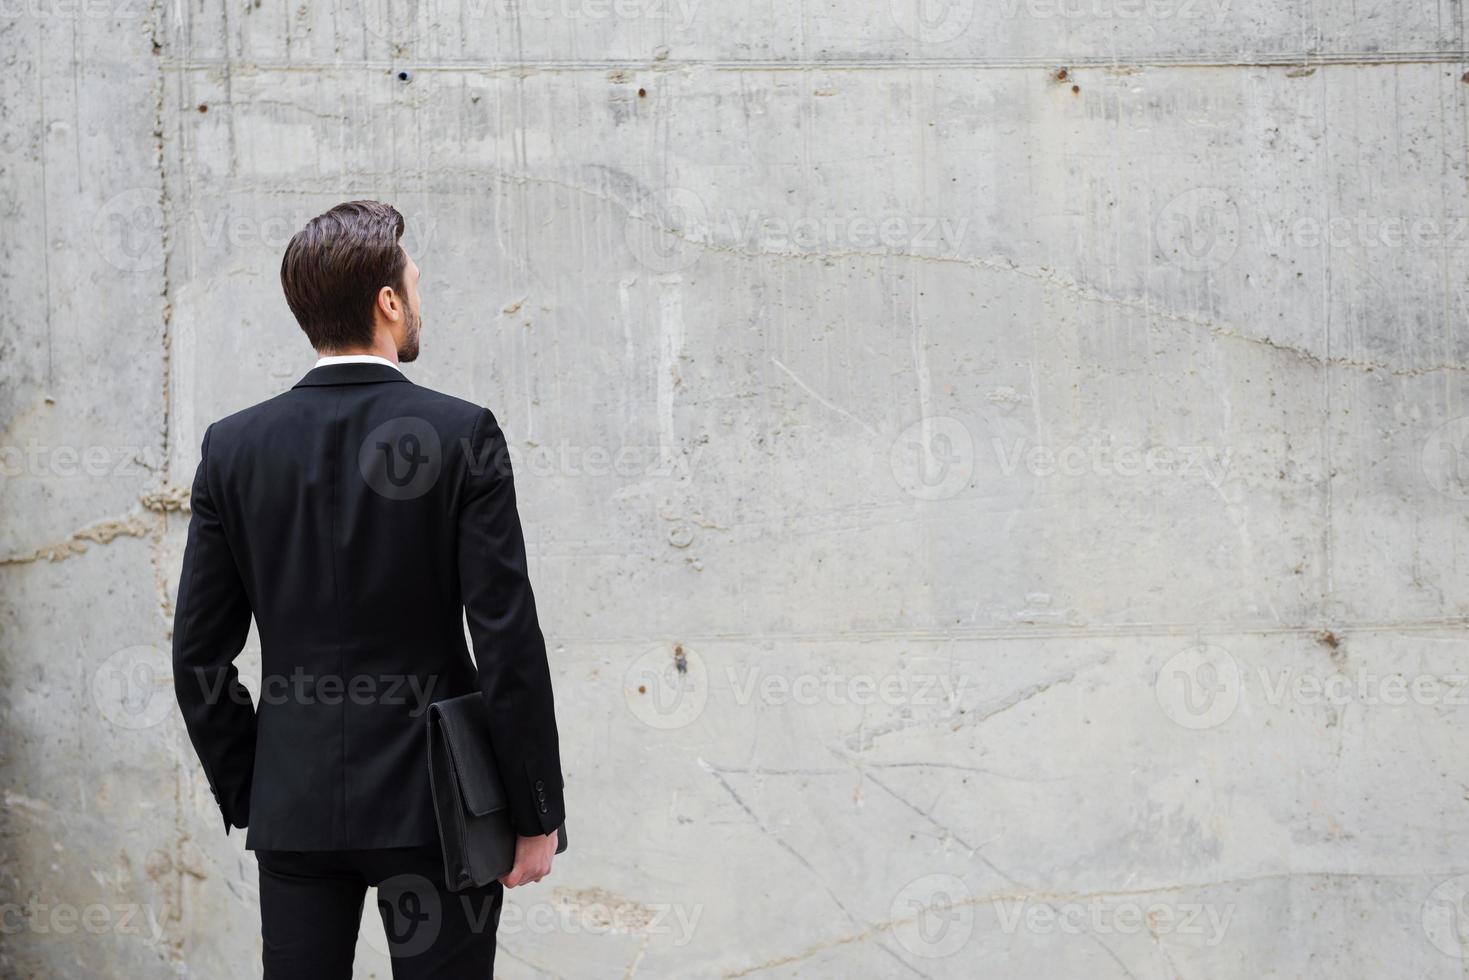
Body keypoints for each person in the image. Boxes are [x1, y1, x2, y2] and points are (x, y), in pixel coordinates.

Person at [171, 200, 565, 978]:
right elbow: (506, 637)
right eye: (414, 283)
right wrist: (534, 811)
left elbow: (197, 657)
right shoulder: (461, 434)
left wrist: (259, 784)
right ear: (388, 302)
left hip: (296, 807)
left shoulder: (233, 447)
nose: (420, 299)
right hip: (440, 811)